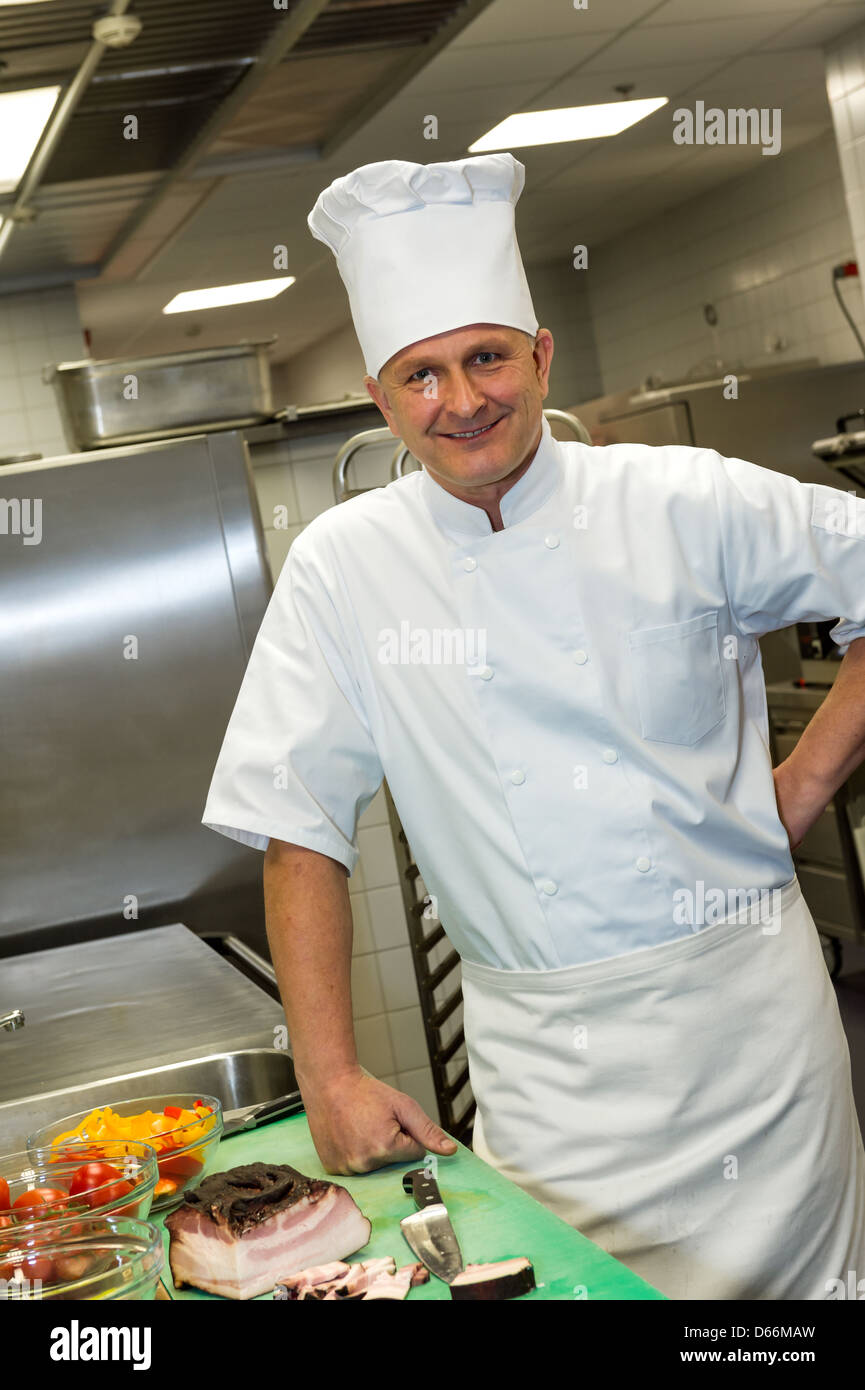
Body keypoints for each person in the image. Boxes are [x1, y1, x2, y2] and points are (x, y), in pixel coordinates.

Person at [203, 153, 865, 1299]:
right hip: (545, 1072)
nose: (460, 401)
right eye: (420, 373)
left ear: (540, 354)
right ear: (380, 393)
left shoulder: (683, 498)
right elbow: (295, 820)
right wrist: (329, 1074)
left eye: (486, 357)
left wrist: (800, 786)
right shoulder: (344, 570)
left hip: (749, 1038)